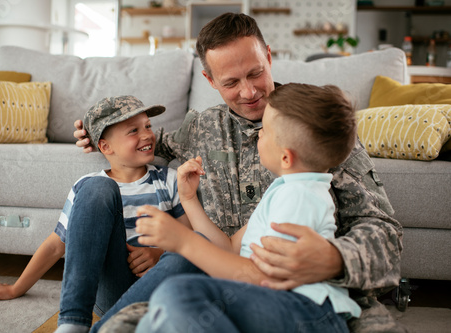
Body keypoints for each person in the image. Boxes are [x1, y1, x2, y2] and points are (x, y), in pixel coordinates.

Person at [74, 13, 404, 332]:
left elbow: (385, 236)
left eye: (255, 73)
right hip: (209, 284)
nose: (248, 92)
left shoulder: (315, 127)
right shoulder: (203, 127)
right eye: (231, 82)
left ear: (269, 57)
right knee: (168, 282)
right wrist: (101, 132)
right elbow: (152, 141)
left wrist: (335, 258)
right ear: (210, 80)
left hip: (300, 298)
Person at [135, 82, 361, 332]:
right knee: (152, 321)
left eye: (265, 129)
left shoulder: (300, 198)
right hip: (284, 307)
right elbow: (231, 249)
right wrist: (189, 199)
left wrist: (183, 242)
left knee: (179, 293)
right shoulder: (286, 189)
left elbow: (263, 277)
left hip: (310, 313)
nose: (258, 134)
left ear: (286, 157)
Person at [0, 95, 192, 333]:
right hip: (114, 289)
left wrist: (160, 254)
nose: (147, 135)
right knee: (97, 187)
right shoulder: (89, 187)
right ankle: (72, 324)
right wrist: (17, 288)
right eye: (133, 130)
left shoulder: (169, 180)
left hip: (160, 287)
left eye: (148, 126)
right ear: (105, 146)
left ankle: (118, 325)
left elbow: (192, 239)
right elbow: (55, 245)